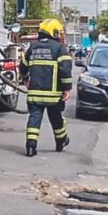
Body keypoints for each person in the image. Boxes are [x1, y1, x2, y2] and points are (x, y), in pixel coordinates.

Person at [20, 18, 73, 157]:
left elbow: (23, 65)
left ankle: (31, 146)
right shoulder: (59, 48)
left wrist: (25, 79)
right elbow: (65, 70)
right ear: (54, 32)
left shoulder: (33, 47)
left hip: (34, 93)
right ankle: (61, 140)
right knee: (56, 119)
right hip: (53, 95)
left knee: (34, 119)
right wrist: (67, 88)